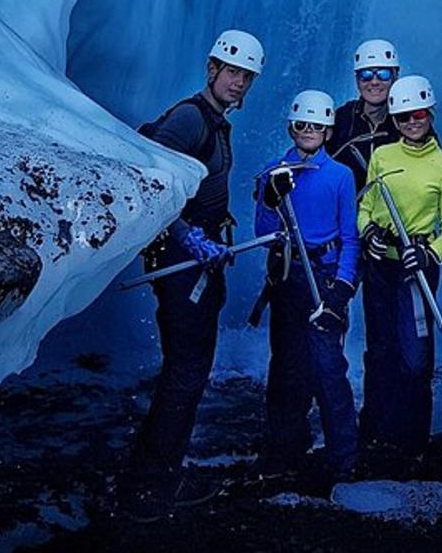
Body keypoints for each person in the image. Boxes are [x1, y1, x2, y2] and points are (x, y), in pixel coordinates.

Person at [121, 29, 264, 521]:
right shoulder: (190, 118)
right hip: (183, 263)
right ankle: (150, 489)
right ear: (213, 69)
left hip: (200, 257)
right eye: (232, 72)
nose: (239, 82)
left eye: (246, 75)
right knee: (186, 369)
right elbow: (153, 177)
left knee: (189, 367)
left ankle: (152, 475)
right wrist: (187, 236)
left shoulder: (215, 122)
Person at [254, 90, 361, 481]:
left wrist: (343, 287)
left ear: (329, 130)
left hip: (325, 276)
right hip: (288, 274)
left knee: (328, 366)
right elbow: (263, 232)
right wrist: (269, 200)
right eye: (302, 125)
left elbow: (350, 237)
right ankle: (285, 450)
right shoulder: (274, 171)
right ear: (291, 127)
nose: (309, 132)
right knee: (286, 365)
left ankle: (344, 457)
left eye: (317, 126)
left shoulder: (340, 176)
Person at [356, 75, 442, 462]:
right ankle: (376, 430)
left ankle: (413, 440)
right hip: (382, 263)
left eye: (418, 114)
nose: (411, 122)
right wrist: (367, 232)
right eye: (402, 117)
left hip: (417, 269)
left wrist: (431, 253)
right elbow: (365, 205)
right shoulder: (383, 157)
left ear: (429, 114)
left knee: (415, 357)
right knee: (380, 349)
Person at [326, 39, 402, 189]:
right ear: (356, 80)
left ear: (395, 76)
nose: (374, 82)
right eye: (366, 75)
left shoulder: (408, 121)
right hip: (348, 209)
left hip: (392, 210)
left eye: (383, 74)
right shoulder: (342, 118)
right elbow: (310, 152)